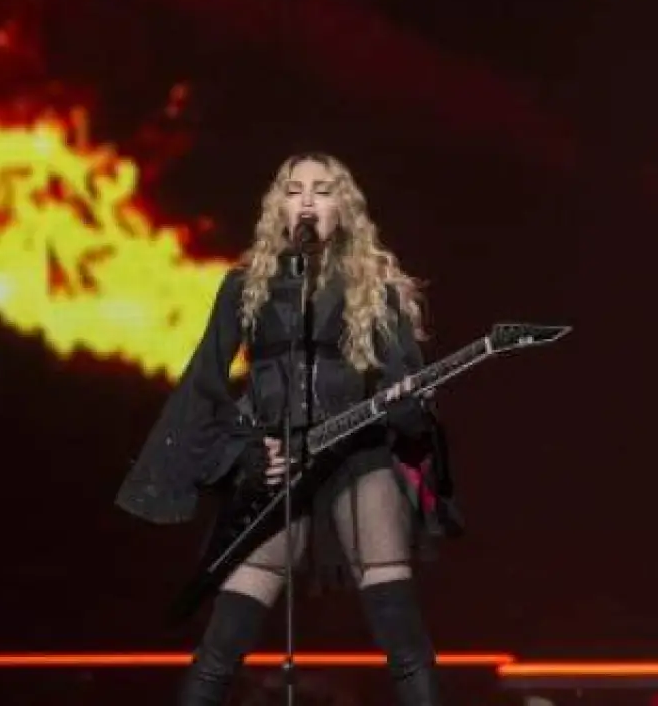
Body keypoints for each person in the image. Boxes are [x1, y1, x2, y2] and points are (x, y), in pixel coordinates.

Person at [116, 152, 462, 705]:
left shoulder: (377, 288)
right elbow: (205, 384)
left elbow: (410, 400)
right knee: (220, 647)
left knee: (402, 636)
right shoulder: (243, 286)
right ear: (277, 206)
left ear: (343, 207)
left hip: (358, 460)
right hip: (278, 466)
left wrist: (404, 404)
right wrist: (247, 452)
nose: (306, 200)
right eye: (294, 190)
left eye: (322, 190)